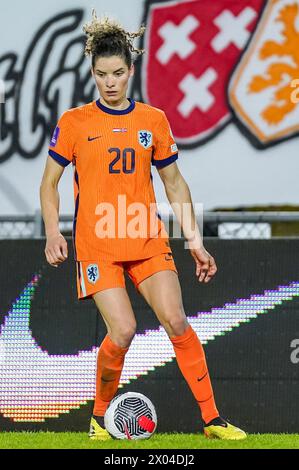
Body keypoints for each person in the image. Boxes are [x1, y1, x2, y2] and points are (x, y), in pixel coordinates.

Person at [40, 11, 246, 441]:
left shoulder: (153, 121)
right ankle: (99, 418)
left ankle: (212, 421)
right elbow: (49, 183)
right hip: (97, 246)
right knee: (125, 329)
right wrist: (53, 232)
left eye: (117, 73)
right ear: (92, 73)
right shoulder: (74, 123)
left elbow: (174, 183)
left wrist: (195, 240)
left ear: (131, 70)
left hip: (146, 238)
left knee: (175, 319)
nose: (110, 82)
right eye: (101, 75)